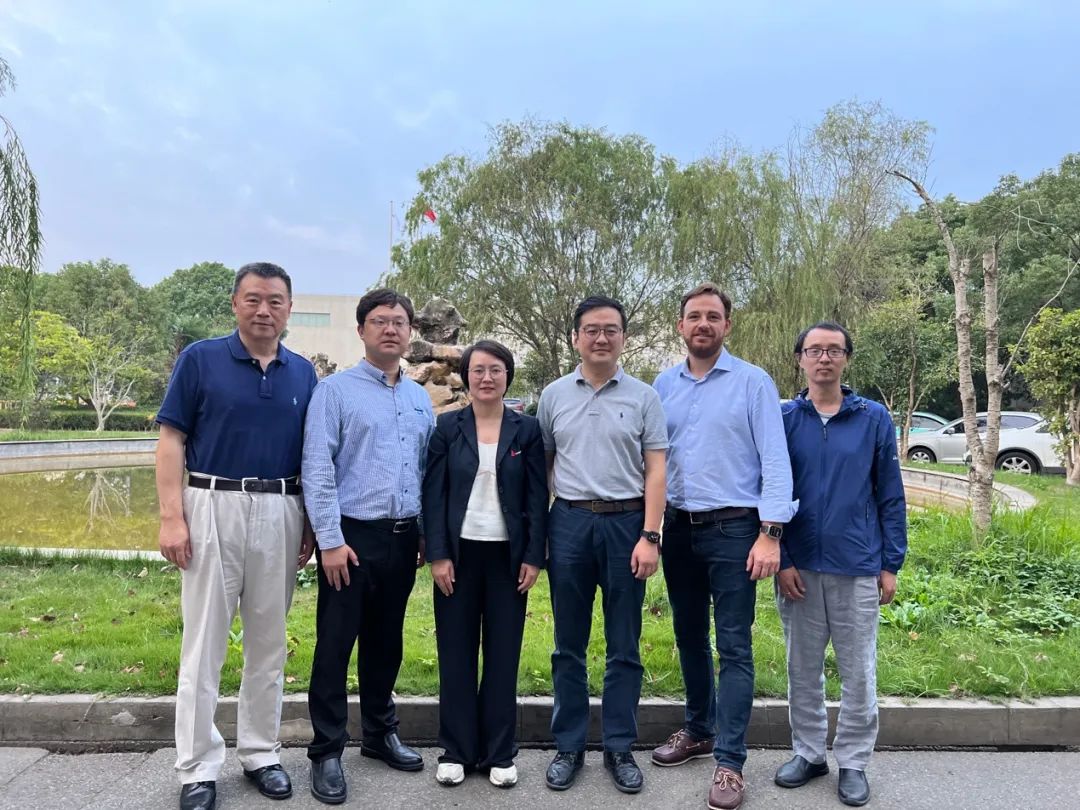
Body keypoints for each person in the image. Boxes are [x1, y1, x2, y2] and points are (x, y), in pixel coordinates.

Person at [156, 262, 318, 810]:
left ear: (289, 309)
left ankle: (260, 753)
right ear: (235, 303)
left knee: (268, 642)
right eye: (253, 299)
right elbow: (171, 440)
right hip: (211, 503)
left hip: (281, 506)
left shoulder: (303, 373)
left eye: (275, 301)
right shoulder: (200, 359)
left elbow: (311, 455)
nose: (264, 310)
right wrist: (171, 517)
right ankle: (197, 766)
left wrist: (309, 522)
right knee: (204, 643)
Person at [651, 283, 797, 810]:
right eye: (694, 316)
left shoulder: (753, 382)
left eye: (713, 316)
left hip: (735, 531)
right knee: (689, 635)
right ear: (680, 326)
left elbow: (775, 459)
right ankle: (698, 730)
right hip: (678, 529)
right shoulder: (662, 385)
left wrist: (770, 533)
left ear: (727, 326)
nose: (703, 324)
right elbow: (653, 460)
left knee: (733, 645)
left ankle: (730, 762)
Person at [301, 288, 434, 805]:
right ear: (361, 330)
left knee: (386, 642)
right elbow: (318, 467)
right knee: (335, 645)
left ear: (409, 332)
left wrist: (423, 531)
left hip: (401, 539)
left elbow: (424, 471)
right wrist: (330, 540)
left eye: (399, 321)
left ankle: (379, 733)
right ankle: (327, 749)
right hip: (350, 540)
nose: (390, 329)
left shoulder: (419, 398)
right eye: (379, 321)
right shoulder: (334, 392)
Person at [536, 296, 668, 795]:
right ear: (576, 338)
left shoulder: (644, 397)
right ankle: (568, 746)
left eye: (611, 329)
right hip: (569, 523)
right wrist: (542, 533)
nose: (601, 338)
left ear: (623, 338)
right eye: (591, 329)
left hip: (626, 525)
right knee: (567, 645)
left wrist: (650, 535)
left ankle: (619, 746)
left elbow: (656, 470)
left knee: (624, 645)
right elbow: (544, 467)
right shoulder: (553, 396)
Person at [774, 322, 906, 807]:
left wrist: (890, 563)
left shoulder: (872, 417)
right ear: (800, 359)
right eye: (814, 350)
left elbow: (890, 494)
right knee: (802, 669)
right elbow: (771, 491)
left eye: (834, 350)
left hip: (858, 564)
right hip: (799, 568)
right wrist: (782, 558)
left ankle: (853, 761)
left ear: (847, 358)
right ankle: (809, 753)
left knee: (859, 671)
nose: (824, 358)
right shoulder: (784, 418)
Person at [421, 339, 548, 789]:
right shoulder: (447, 427)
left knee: (502, 655)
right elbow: (433, 495)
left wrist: (534, 556)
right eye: (478, 370)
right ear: (467, 376)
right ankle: (456, 750)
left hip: (507, 558)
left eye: (496, 369)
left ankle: (499, 752)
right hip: (458, 556)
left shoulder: (527, 430)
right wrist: (437, 554)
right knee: (455, 653)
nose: (487, 378)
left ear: (507, 376)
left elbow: (537, 497)